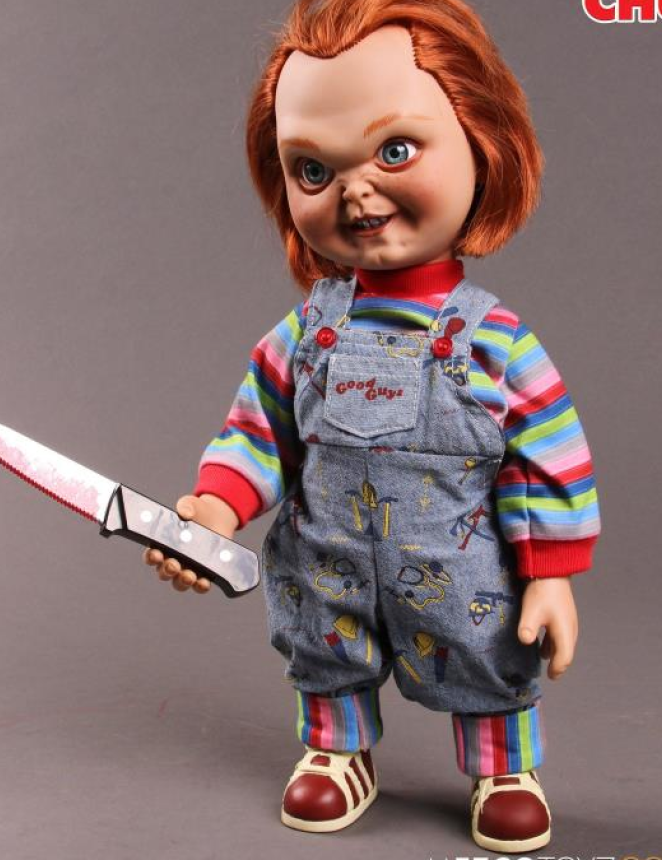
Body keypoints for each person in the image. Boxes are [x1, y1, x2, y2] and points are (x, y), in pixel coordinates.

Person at [143, 0, 601, 851]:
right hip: (329, 557)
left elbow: (546, 460)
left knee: (487, 653)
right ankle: (335, 752)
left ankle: (505, 767)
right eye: (314, 169)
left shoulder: (497, 342)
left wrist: (551, 573)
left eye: (395, 151)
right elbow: (259, 429)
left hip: (458, 565)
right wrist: (214, 508)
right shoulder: (305, 334)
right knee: (325, 647)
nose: (356, 191)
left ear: (481, 141)